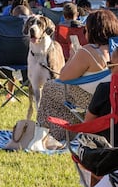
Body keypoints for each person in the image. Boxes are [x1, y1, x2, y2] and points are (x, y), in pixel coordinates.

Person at [37, 9, 118, 140]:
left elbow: (63, 77)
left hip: (92, 101)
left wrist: (73, 56)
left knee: (49, 87)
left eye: (85, 30)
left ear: (93, 30)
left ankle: (45, 133)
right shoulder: (116, 49)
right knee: (62, 94)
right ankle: (63, 132)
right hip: (112, 99)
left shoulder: (88, 51)